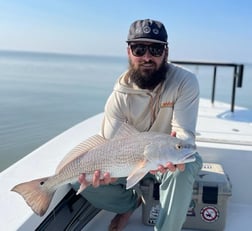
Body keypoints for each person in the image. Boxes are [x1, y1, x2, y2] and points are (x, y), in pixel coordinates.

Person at [73, 19, 203, 231]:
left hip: (165, 159)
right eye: (139, 49)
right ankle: (129, 204)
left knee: (186, 166)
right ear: (129, 52)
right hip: (128, 160)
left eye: (155, 49)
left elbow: (184, 135)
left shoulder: (184, 82)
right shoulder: (119, 96)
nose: (147, 57)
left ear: (166, 52)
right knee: (79, 182)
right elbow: (109, 145)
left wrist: (178, 154)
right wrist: (107, 174)